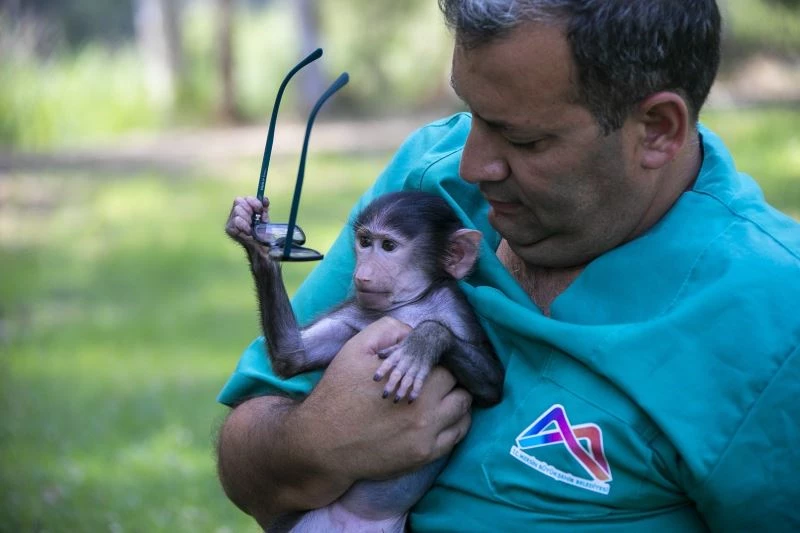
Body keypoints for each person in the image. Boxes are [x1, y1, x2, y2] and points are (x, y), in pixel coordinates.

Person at [216, 0, 800, 530]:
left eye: (523, 141)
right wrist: (316, 442)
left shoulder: (771, 315)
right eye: (471, 113)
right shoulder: (426, 192)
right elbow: (249, 457)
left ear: (656, 131)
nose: (471, 165)